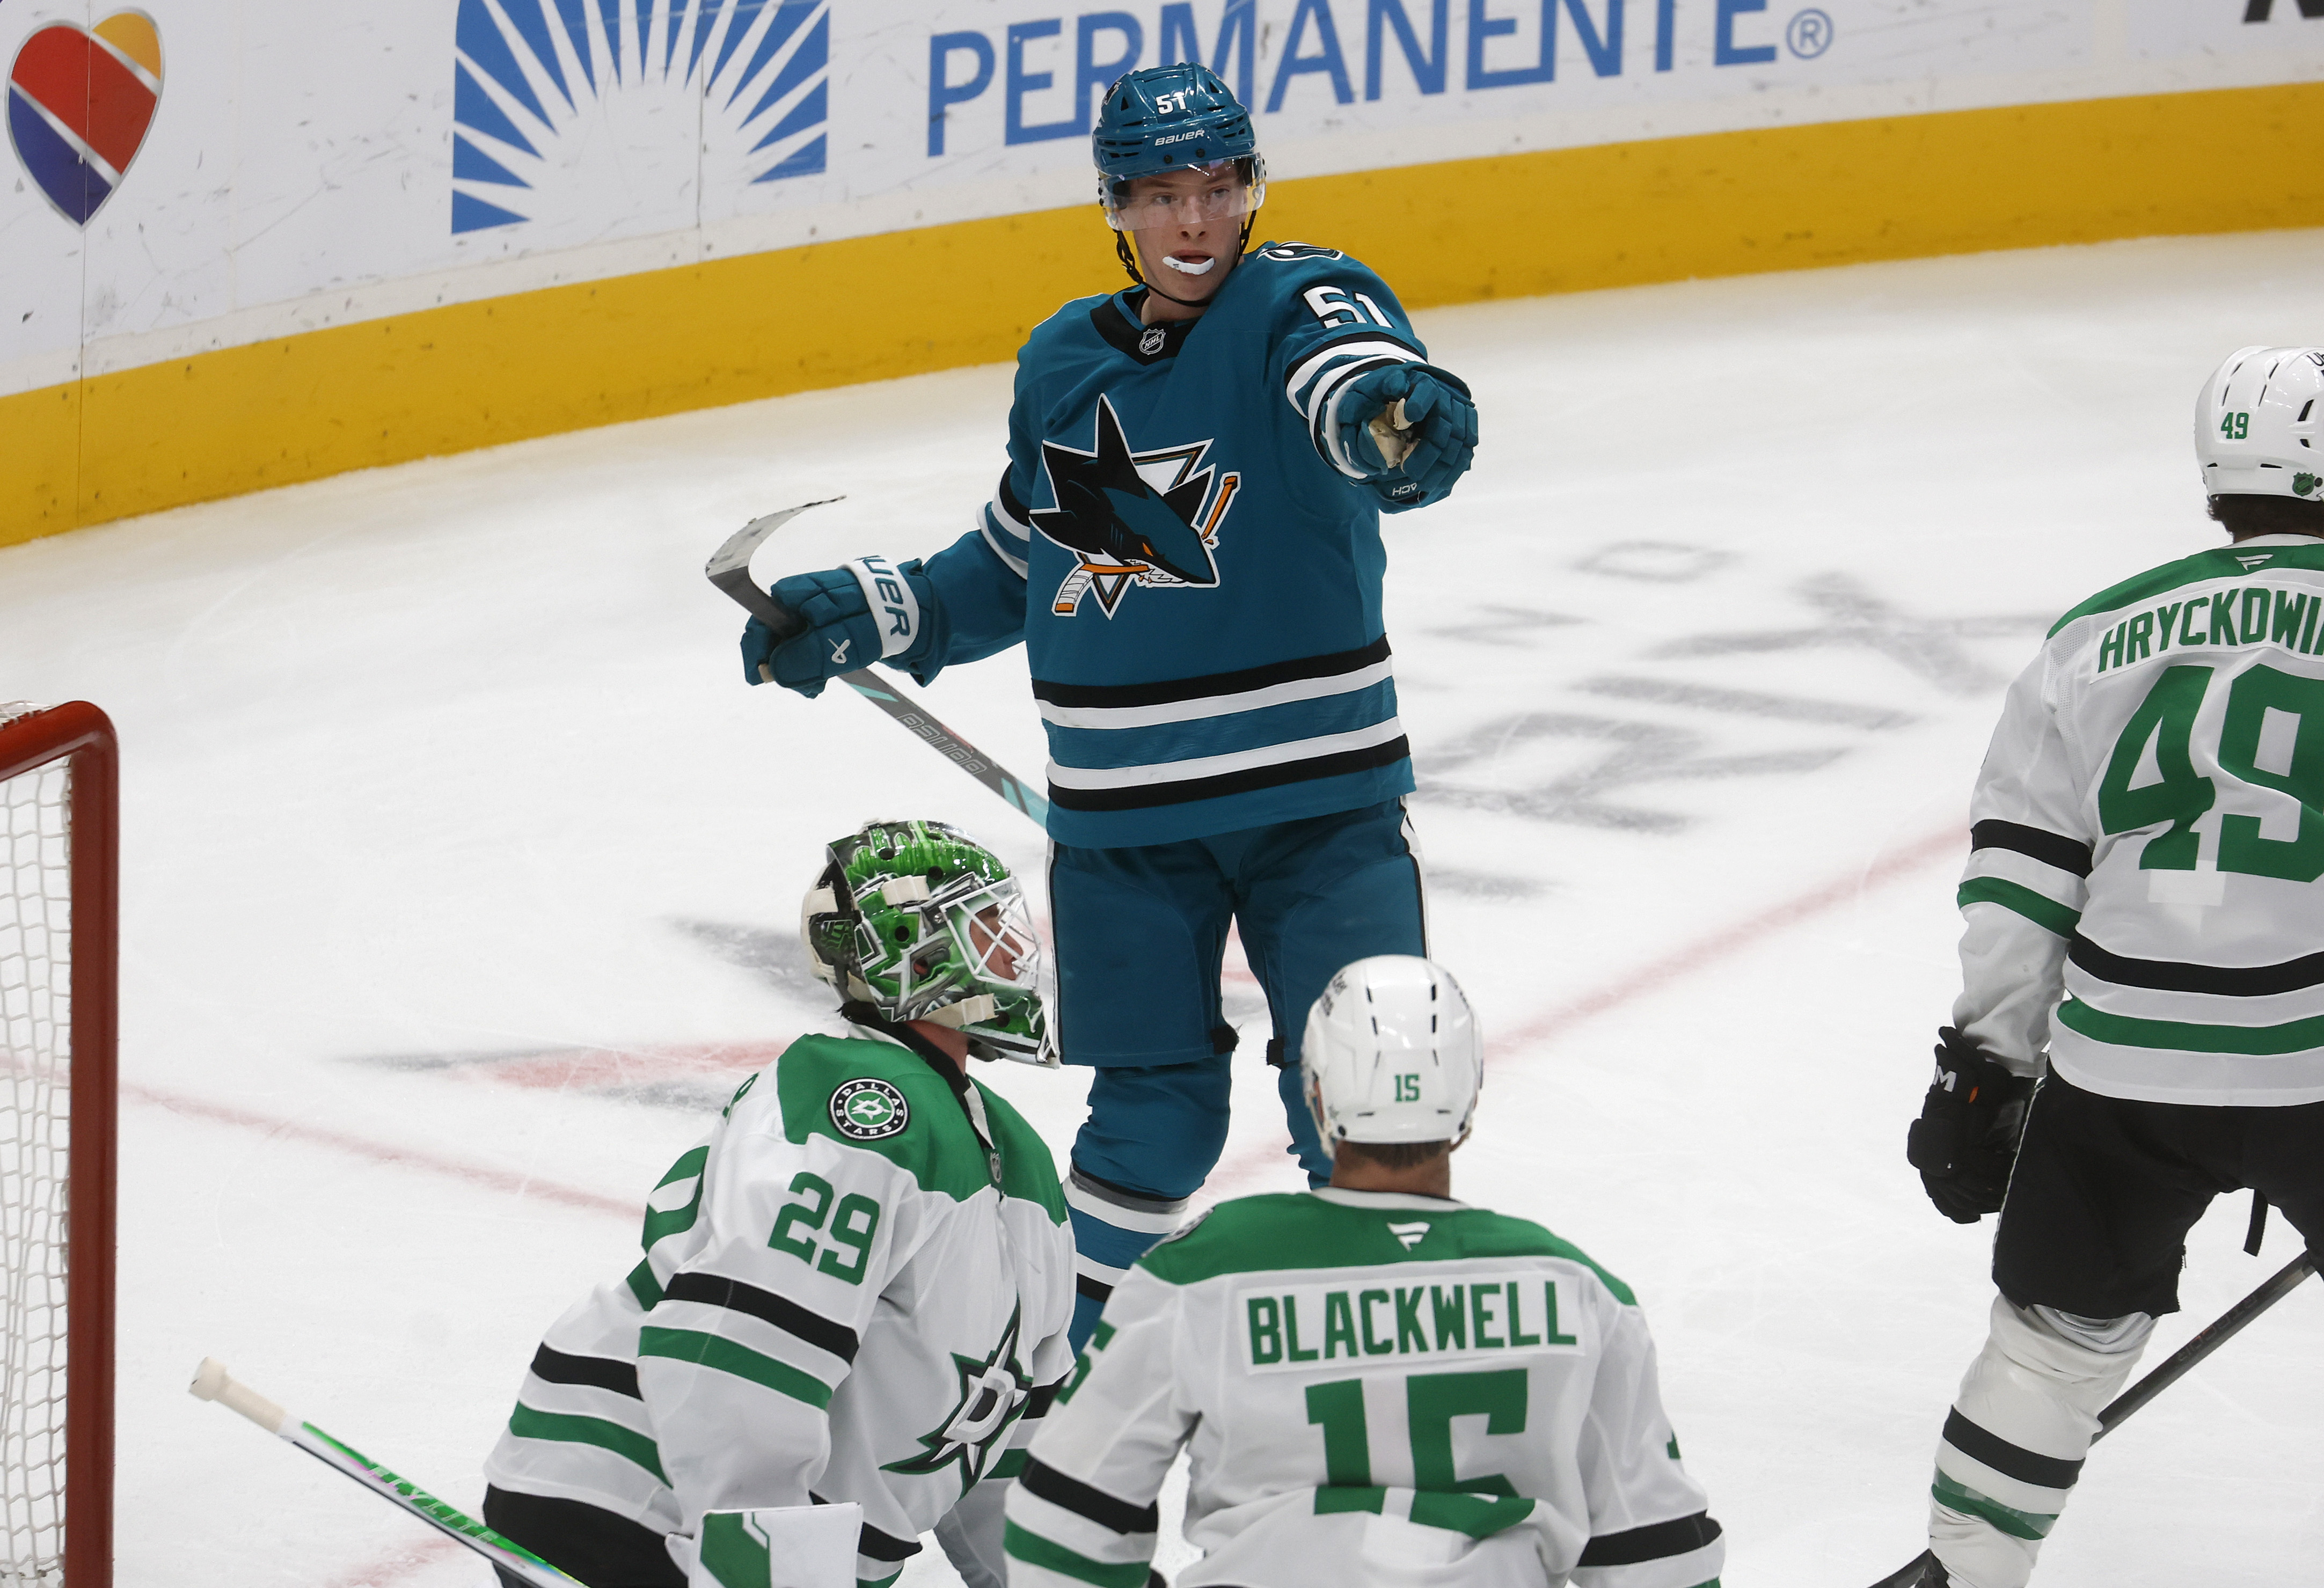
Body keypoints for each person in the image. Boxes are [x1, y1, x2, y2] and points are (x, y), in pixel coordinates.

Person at [737, 61, 1482, 1352]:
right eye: (1159, 194)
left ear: (1251, 188)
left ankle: (1374, 1359)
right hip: (1124, 828)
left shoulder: (1296, 297)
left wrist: (1385, 416)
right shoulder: (1062, 359)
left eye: (1215, 186)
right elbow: (1024, 561)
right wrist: (872, 610)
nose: (1193, 220)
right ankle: (1057, 1368)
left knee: (1367, 1095)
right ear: (1114, 205)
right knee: (1153, 1113)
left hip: (1322, 810)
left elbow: (1346, 373)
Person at [1897, 347, 2324, 1588]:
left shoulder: (2097, 631)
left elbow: (2021, 880)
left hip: (2120, 1070)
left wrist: (1986, 1071)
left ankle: (1967, 1569)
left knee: (2046, 1347)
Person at [480, 819, 1075, 1588]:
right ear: (914, 950)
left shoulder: (1013, 1152)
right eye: (984, 924)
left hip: (780, 1545)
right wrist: (764, 1558)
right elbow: (744, 1340)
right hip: (642, 1509)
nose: (1014, 952)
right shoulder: (857, 1100)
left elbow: (1004, 1428)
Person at [1002, 955, 1725, 1588]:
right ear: (1468, 1096)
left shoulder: (1204, 1272)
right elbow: (1656, 1554)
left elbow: (1063, 1519)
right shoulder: (1575, 1290)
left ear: (1315, 1091)